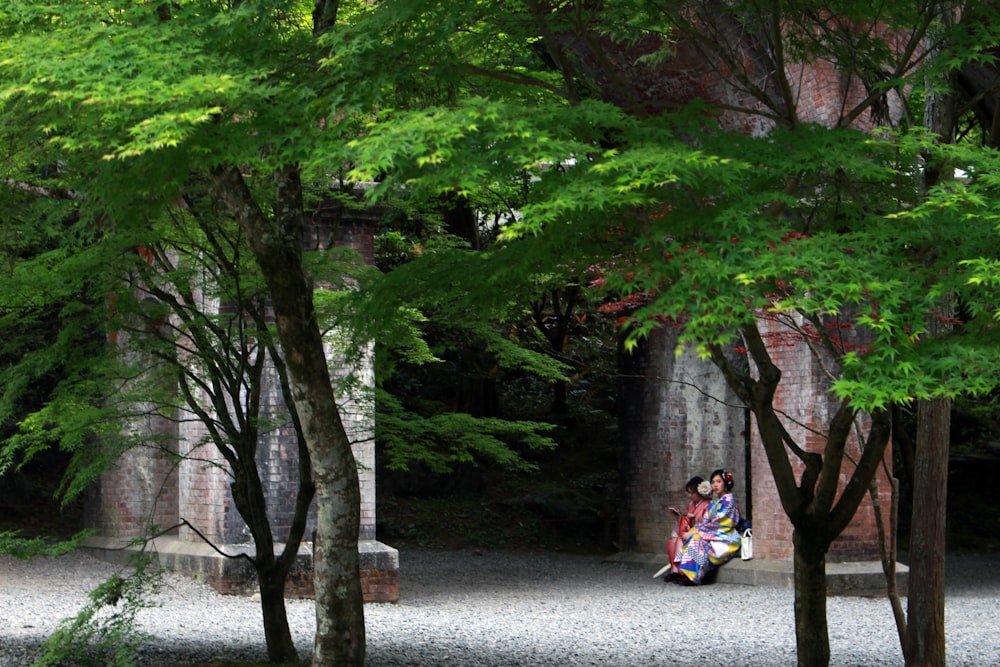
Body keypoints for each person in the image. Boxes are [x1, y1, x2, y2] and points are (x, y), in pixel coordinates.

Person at [672, 468, 742, 585]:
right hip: (713, 533)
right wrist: (694, 530)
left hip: (726, 536)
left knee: (698, 540)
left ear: (725, 483)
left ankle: (694, 575)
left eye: (718, 481)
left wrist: (696, 532)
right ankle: (685, 573)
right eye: (713, 482)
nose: (715, 485)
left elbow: (719, 523)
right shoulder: (716, 503)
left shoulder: (729, 503)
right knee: (692, 539)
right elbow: (705, 521)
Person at [664, 476, 712, 581]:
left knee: (680, 543)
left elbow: (706, 524)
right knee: (672, 542)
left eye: (692, 493)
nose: (690, 496)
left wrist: (693, 524)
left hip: (701, 533)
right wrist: (680, 517)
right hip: (690, 530)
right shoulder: (691, 505)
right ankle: (675, 571)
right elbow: (687, 522)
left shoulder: (708, 505)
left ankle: (684, 572)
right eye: (689, 493)